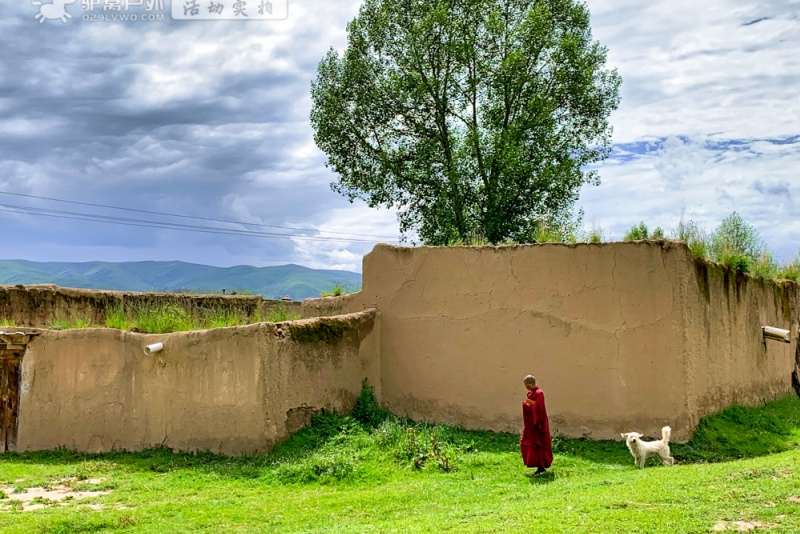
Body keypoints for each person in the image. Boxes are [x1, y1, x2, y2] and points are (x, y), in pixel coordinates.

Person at [520, 374, 553, 475]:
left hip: (539, 424)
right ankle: (535, 464)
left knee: (539, 445)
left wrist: (531, 404)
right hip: (531, 426)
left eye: (527, 385)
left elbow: (539, 408)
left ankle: (541, 468)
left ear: (531, 383)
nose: (526, 388)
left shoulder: (539, 393)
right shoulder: (531, 393)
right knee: (526, 443)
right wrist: (527, 404)